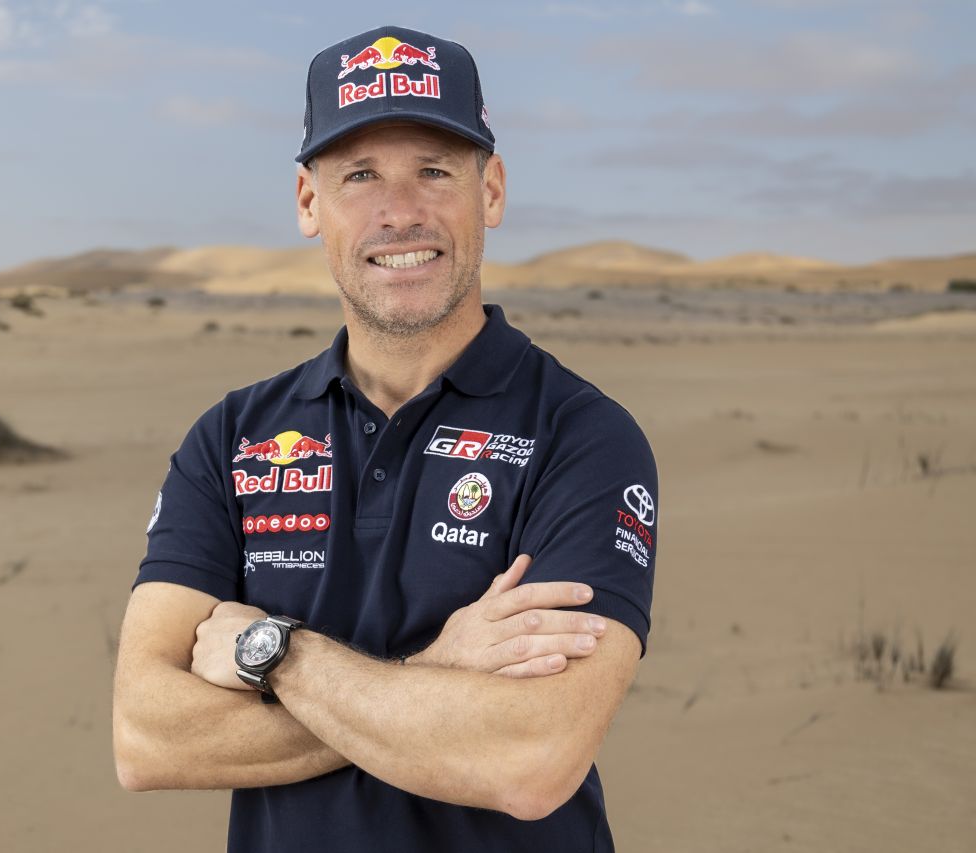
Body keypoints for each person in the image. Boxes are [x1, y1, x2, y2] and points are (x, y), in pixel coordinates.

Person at [113, 25, 659, 853]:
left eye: (434, 171)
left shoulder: (582, 436)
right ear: (309, 202)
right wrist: (437, 672)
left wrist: (278, 655)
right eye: (360, 175)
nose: (400, 213)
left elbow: (530, 756)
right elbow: (146, 736)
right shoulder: (232, 437)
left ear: (491, 192)